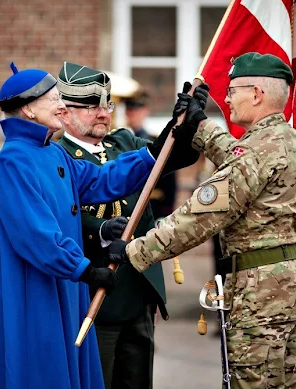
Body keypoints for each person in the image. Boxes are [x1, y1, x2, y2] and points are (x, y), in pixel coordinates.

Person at [0, 63, 191, 389]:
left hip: (59, 285)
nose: (61, 106)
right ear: (28, 109)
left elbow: (104, 179)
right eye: (54, 99)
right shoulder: (13, 160)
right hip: (32, 290)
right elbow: (36, 237)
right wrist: (85, 270)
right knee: (39, 372)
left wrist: (157, 148)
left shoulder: (54, 153)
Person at [108, 52, 296, 388]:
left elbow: (201, 215)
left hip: (261, 295)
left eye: (233, 90)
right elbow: (242, 162)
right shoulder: (286, 139)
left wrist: (134, 250)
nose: (227, 98)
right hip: (290, 289)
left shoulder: (260, 149)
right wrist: (200, 126)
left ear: (257, 94)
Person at [55, 62, 201, 389]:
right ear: (64, 111)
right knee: (97, 381)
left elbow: (170, 156)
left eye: (106, 105)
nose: (104, 113)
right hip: (93, 292)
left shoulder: (125, 143)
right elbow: (56, 219)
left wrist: (186, 124)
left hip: (137, 287)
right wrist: (99, 229)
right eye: (92, 107)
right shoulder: (56, 156)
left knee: (137, 382)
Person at [125, 90, 178, 220]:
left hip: (153, 208)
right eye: (130, 110)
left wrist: (166, 211)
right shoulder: (120, 141)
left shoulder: (155, 141)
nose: (133, 114)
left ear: (145, 111)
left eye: (138, 110)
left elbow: (169, 180)